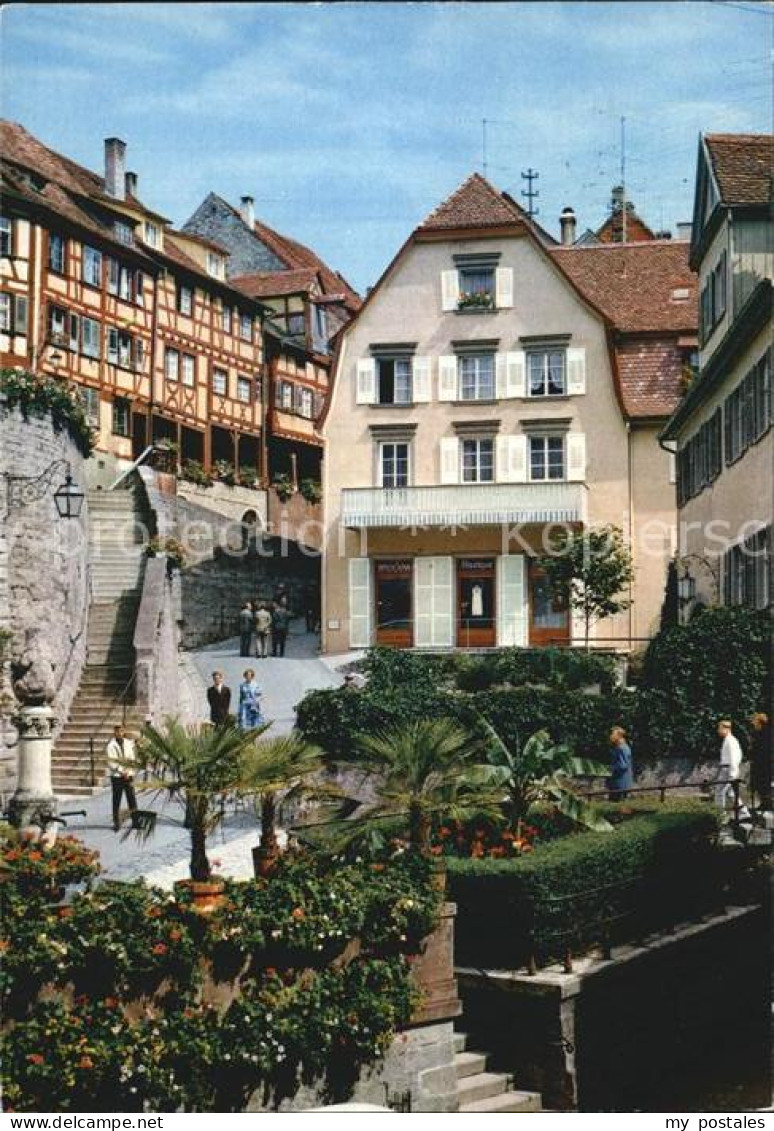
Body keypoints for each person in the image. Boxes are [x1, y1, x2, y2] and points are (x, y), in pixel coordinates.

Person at [716, 719, 751, 821]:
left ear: (726, 729)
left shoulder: (731, 741)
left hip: (728, 770)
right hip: (727, 769)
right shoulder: (729, 740)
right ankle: (744, 812)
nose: (718, 731)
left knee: (720, 792)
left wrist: (733, 773)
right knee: (731, 793)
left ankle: (720, 815)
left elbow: (734, 757)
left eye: (719, 728)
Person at [106, 724, 139, 832]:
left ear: (124, 731)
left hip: (128, 774)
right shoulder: (111, 745)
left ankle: (135, 821)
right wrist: (121, 771)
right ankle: (116, 823)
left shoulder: (129, 743)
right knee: (116, 800)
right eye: (117, 731)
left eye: (121, 731)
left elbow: (132, 758)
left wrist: (128, 771)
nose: (119, 733)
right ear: (114, 732)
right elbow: (112, 762)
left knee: (132, 798)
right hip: (117, 776)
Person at [749, 712, 772, 811]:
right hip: (759, 763)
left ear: (759, 722)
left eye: (754, 721)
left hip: (765, 764)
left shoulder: (767, 733)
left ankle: (767, 804)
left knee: (764, 784)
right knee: (759, 785)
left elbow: (767, 750)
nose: (753, 724)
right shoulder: (758, 733)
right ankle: (764, 803)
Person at [607, 726, 633, 801]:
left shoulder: (622, 748)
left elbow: (623, 765)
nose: (610, 736)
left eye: (612, 734)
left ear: (619, 736)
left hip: (621, 782)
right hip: (617, 782)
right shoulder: (618, 747)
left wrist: (611, 768)